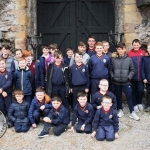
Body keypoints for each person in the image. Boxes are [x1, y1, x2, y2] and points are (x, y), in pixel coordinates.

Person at [111, 43, 140, 120]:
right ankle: (120, 110)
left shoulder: (129, 59)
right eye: (119, 49)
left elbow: (132, 70)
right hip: (116, 81)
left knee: (129, 96)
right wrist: (113, 76)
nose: (120, 50)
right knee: (118, 96)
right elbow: (110, 70)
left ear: (125, 49)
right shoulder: (114, 59)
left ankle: (132, 112)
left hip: (126, 82)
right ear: (117, 50)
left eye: (122, 49)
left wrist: (128, 77)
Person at [128, 39, 146, 112]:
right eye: (134, 45)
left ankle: (139, 102)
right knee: (133, 91)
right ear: (132, 45)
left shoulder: (143, 53)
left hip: (141, 76)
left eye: (137, 45)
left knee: (141, 90)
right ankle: (134, 104)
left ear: (139, 45)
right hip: (133, 76)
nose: (136, 46)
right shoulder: (129, 53)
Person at [141, 44, 150, 111]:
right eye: (149, 48)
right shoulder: (145, 58)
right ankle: (148, 105)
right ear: (147, 49)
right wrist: (144, 78)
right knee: (148, 93)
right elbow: (142, 69)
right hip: (148, 79)